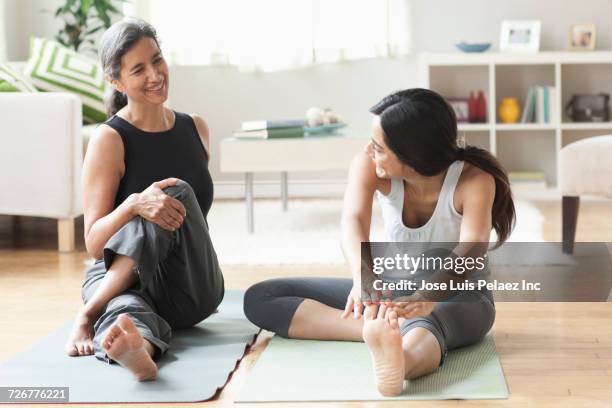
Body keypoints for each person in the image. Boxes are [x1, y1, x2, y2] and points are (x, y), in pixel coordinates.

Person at [243, 88, 515, 396]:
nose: (369, 151)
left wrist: (427, 296)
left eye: (379, 147)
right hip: (393, 288)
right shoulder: (369, 164)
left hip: (458, 295)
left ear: (413, 155)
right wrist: (364, 278)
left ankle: (400, 361)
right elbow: (353, 220)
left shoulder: (474, 181)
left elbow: (474, 243)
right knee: (261, 297)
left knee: (431, 322)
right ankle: (381, 331)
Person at [65, 18, 224, 381]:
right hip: (117, 282)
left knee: (175, 193)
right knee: (126, 314)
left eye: (157, 60)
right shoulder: (110, 139)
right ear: (115, 81)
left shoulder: (194, 127)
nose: (155, 74)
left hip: (190, 286)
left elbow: (192, 223)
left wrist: (152, 203)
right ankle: (140, 353)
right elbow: (93, 245)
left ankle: (89, 314)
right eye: (139, 69)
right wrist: (133, 204)